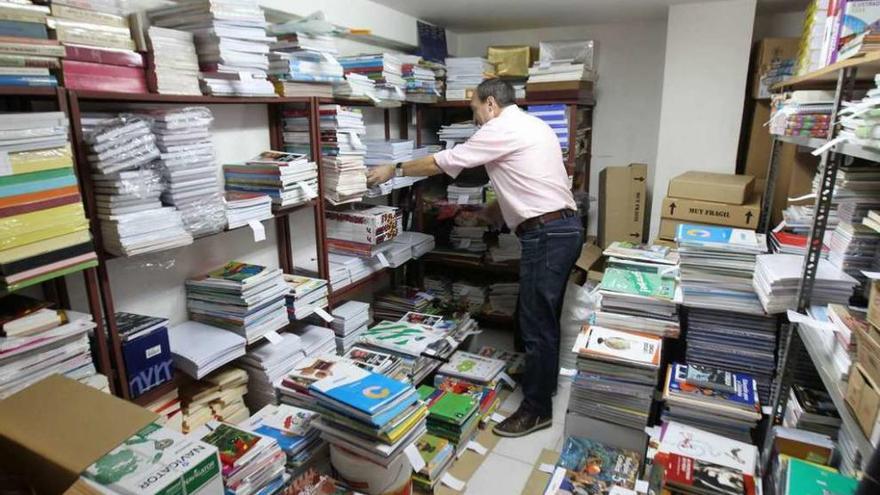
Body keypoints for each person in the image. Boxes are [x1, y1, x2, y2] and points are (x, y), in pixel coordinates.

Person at [366, 78, 584, 437]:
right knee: (541, 317)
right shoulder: (534, 125)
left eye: (475, 111)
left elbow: (444, 161)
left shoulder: (499, 127)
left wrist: (395, 169)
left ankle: (537, 409)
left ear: (491, 105)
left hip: (548, 235)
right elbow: (530, 181)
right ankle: (542, 383)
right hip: (561, 228)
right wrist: (489, 214)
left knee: (535, 322)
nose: (477, 119)